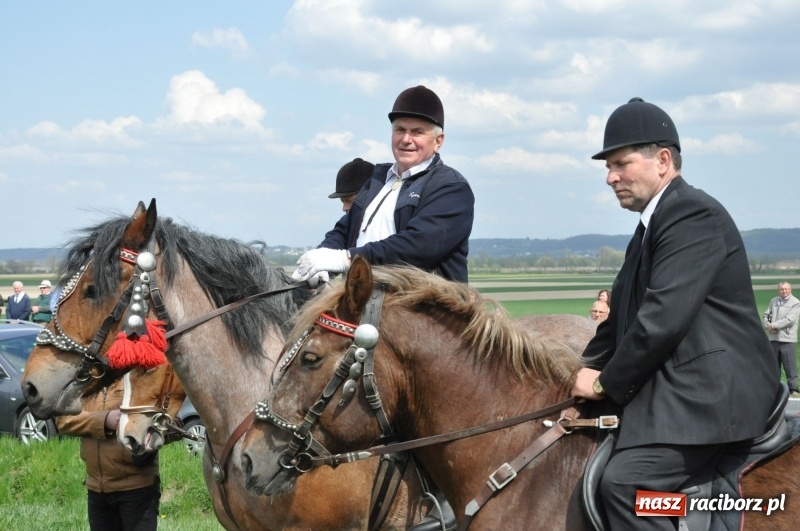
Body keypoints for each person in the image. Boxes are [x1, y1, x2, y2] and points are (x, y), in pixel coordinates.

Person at [571, 97, 779, 531]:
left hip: (712, 398)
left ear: (663, 160)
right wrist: (575, 372)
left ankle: (680, 516)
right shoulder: (649, 226)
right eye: (608, 167)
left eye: (620, 163)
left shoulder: (690, 213)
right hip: (681, 390)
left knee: (628, 486)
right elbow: (619, 321)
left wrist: (606, 382)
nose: (611, 177)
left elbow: (660, 320)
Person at [293, 85, 475, 285]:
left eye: (417, 132)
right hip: (365, 299)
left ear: (438, 141)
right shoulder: (377, 180)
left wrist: (346, 259)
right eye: (400, 130)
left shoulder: (450, 188)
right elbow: (344, 230)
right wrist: (323, 256)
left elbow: (416, 247)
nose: (406, 139)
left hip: (425, 307)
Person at [56, 378, 161, 531]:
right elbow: (63, 420)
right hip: (97, 489)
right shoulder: (87, 379)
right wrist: (105, 420)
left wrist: (154, 433)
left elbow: (170, 420)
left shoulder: (140, 376)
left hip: (137, 489)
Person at [764, 281, 800, 398]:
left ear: (790, 290)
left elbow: (790, 320)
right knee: (773, 366)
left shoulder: (796, 303)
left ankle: (793, 389)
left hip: (788, 340)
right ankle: (775, 388)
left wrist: (773, 326)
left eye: (786, 289)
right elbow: (766, 315)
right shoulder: (773, 301)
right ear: (778, 290)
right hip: (773, 338)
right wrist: (767, 326)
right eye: (782, 289)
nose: (784, 291)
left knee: (790, 367)